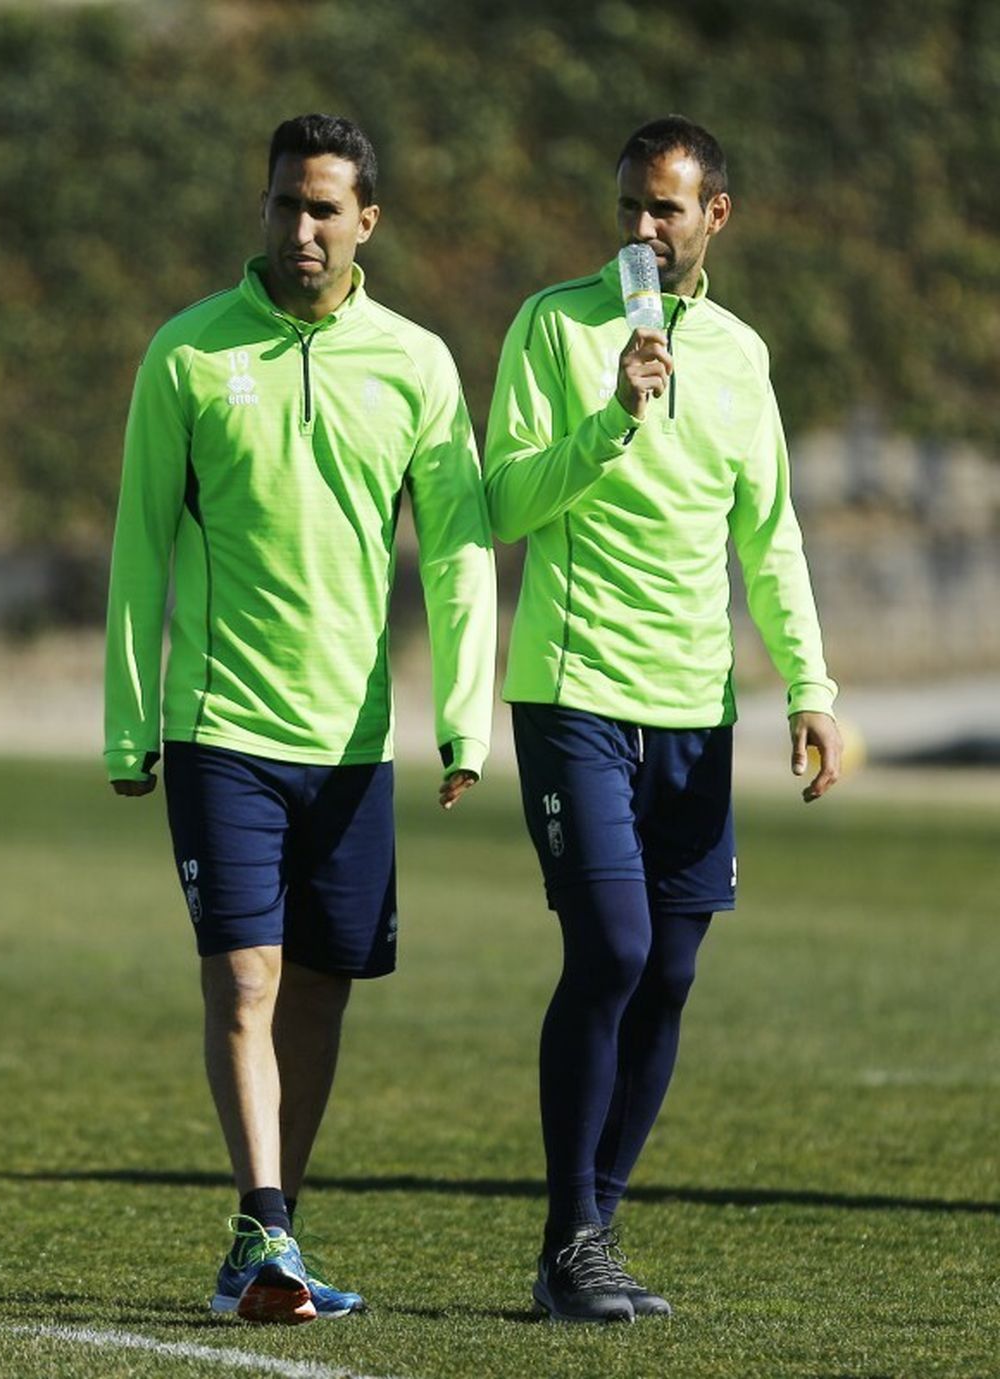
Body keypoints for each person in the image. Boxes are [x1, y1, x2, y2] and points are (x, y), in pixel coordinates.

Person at [104, 113, 496, 1323]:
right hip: (222, 725)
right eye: (285, 204)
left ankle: (270, 1228)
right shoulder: (184, 354)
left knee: (324, 984)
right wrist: (132, 725)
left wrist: (465, 720)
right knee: (247, 979)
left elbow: (461, 549)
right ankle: (262, 1225)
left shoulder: (416, 364)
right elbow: (137, 551)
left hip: (352, 743)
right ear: (263, 207)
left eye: (326, 208)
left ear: (366, 220)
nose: (303, 228)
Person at [483, 115, 844, 1324]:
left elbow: (770, 534)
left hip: (695, 708)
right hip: (574, 689)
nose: (641, 227)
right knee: (615, 952)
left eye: (665, 209)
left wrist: (809, 687)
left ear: (715, 218)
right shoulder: (553, 324)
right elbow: (503, 499)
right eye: (630, 203)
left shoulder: (741, 355)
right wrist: (612, 418)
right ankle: (567, 1239)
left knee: (674, 970)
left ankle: (593, 1233)